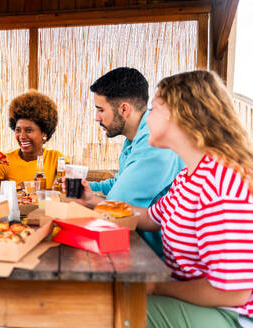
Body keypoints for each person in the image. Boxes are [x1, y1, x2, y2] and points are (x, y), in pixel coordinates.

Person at [127, 70, 253, 328]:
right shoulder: (190, 176)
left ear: (177, 112)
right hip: (204, 303)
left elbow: (233, 292)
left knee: (112, 311)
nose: (146, 120)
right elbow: (150, 218)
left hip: (231, 314)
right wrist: (93, 206)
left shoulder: (221, 184)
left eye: (153, 109)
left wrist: (157, 287)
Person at [77, 67, 184, 258]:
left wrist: (90, 201)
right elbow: (118, 183)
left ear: (124, 109)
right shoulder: (132, 140)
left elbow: (119, 203)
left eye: (100, 110)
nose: (96, 118)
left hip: (157, 256)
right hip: (138, 243)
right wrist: (85, 188)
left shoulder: (153, 141)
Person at [0, 90, 65, 197]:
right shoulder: (4, 162)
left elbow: (71, 191)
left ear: (44, 133)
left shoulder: (56, 158)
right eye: (18, 130)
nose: (21, 136)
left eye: (29, 130)